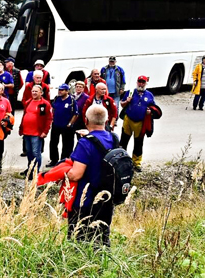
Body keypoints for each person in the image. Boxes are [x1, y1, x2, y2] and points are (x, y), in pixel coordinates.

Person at [65, 104, 117, 246]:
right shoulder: (114, 138)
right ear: (106, 121)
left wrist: (64, 171)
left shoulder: (85, 143)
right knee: (102, 239)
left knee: (79, 240)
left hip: (86, 201)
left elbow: (76, 175)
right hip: (107, 200)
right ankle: (103, 266)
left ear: (86, 121)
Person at [120, 76, 156, 171]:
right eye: (139, 82)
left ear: (146, 83)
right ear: (137, 82)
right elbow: (122, 104)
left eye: (143, 82)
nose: (141, 84)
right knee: (123, 140)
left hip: (140, 122)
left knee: (139, 143)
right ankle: (121, 160)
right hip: (128, 120)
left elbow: (154, 109)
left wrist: (150, 112)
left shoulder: (149, 95)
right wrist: (127, 101)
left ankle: (136, 163)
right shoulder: (130, 92)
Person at [19, 85, 52, 177]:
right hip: (26, 132)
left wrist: (45, 131)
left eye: (36, 91)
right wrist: (21, 128)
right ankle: (30, 169)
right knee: (29, 152)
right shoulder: (28, 102)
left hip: (37, 133)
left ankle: (35, 172)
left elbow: (48, 119)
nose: (34, 93)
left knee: (36, 153)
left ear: (41, 93)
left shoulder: (45, 104)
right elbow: (24, 115)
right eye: (33, 91)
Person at [46, 83, 78, 168]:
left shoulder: (71, 100)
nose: (60, 91)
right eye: (59, 90)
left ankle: (64, 160)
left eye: (62, 90)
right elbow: (53, 108)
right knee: (53, 143)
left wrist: (70, 123)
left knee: (67, 144)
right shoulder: (57, 99)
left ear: (67, 91)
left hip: (66, 126)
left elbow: (75, 113)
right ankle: (54, 159)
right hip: (56, 124)